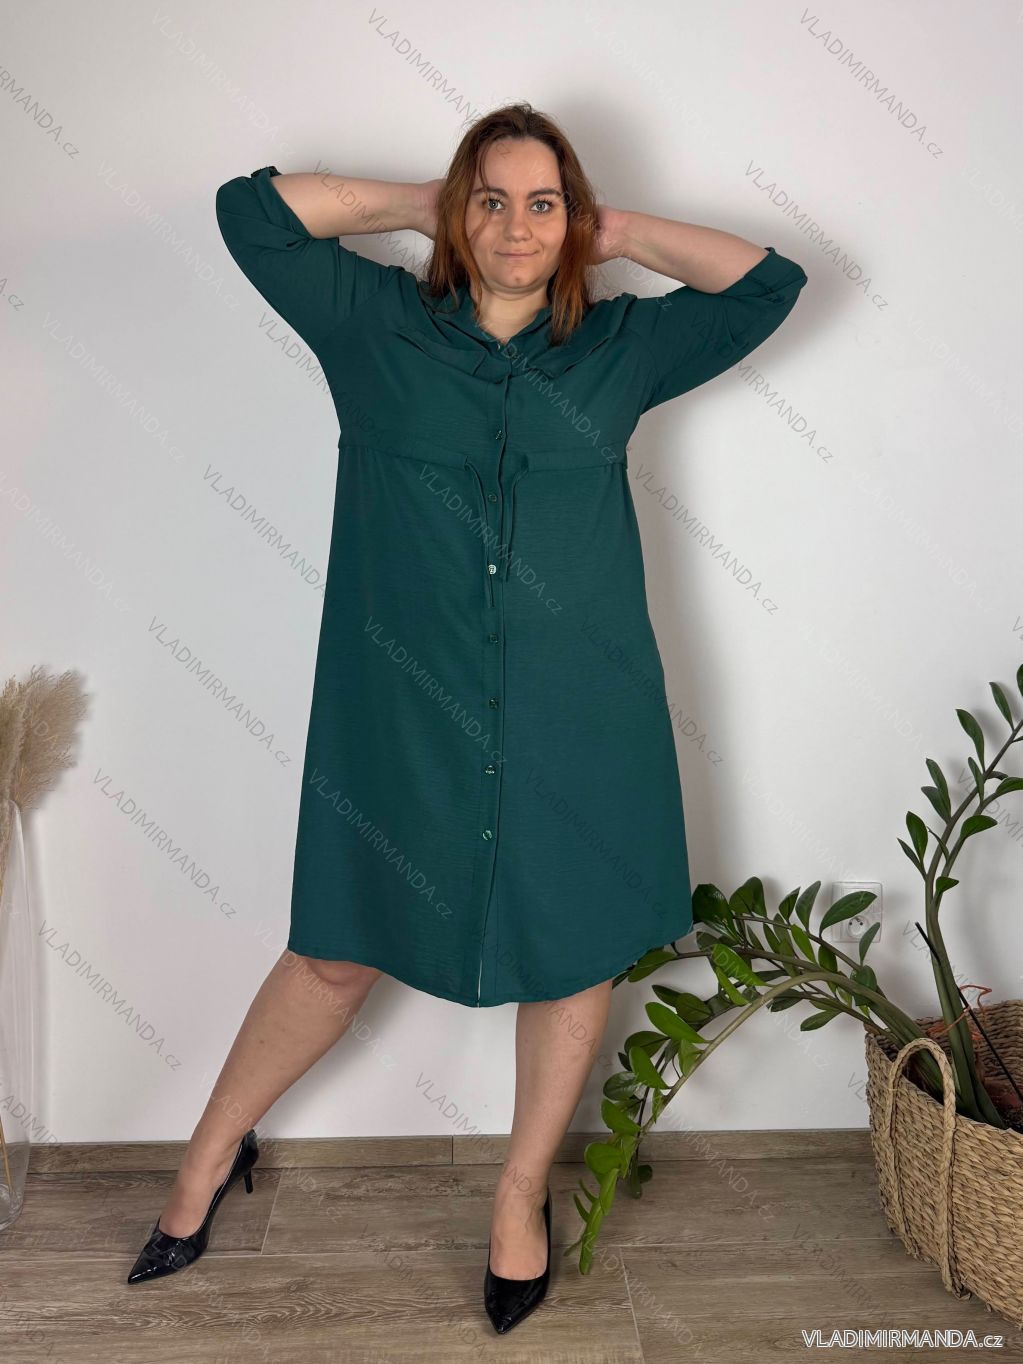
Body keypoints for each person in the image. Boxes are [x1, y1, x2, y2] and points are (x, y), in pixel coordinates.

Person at [127, 102, 807, 1336]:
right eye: (491, 200)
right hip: (400, 703)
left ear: (572, 216)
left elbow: (770, 284)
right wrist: (423, 205)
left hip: (577, 707)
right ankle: (210, 1153)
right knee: (337, 944)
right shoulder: (372, 323)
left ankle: (517, 1190)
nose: (516, 227)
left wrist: (608, 231)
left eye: (542, 203)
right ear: (460, 210)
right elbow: (252, 214)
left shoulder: (622, 347)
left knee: (572, 947)